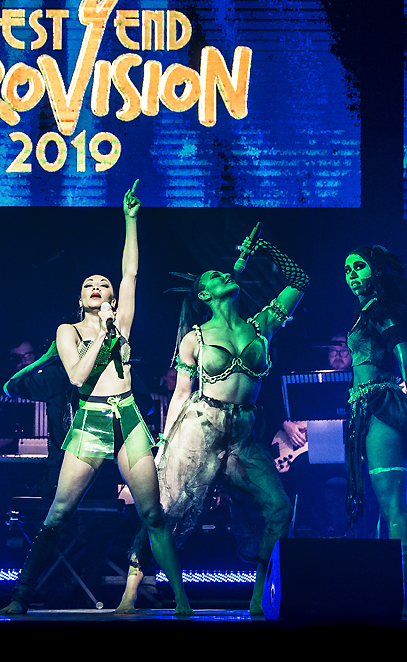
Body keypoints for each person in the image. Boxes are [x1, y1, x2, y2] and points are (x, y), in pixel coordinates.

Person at [0, 183, 193, 617]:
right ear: (80, 298)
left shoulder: (122, 320)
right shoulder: (68, 331)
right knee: (59, 512)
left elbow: (131, 273)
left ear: (111, 297)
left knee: (152, 514)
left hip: (128, 417)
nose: (97, 286)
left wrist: (130, 220)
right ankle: (21, 597)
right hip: (91, 419)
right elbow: (76, 376)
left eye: (103, 285)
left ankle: (182, 600)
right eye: (89, 284)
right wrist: (102, 335)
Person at [115, 227, 307, 615]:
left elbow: (299, 280)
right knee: (168, 510)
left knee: (279, 508)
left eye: (224, 272)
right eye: (214, 276)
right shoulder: (195, 337)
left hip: (243, 435)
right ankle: (132, 589)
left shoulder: (261, 325)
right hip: (200, 428)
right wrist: (164, 444)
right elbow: (181, 393)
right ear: (204, 295)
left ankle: (259, 594)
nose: (224, 275)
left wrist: (263, 248)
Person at [343, 245, 407, 617]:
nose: (352, 274)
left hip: (382, 408)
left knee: (394, 508)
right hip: (370, 410)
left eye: (359, 267)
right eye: (347, 269)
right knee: (389, 509)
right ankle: (403, 598)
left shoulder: (377, 310)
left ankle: (404, 599)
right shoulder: (368, 310)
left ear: (377, 271)